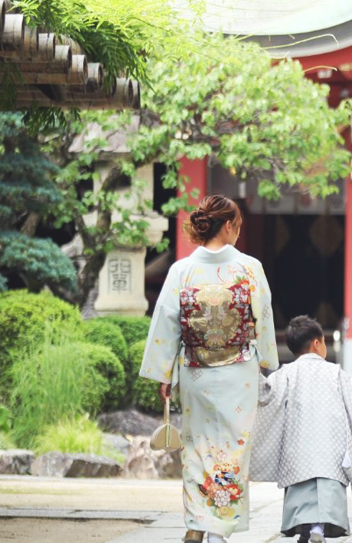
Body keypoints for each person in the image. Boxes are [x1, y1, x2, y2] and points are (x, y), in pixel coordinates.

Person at [139, 194, 279, 543]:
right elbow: (262, 317)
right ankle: (219, 529)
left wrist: (164, 373)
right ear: (229, 225)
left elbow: (166, 323)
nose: (239, 232)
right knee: (233, 449)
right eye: (238, 226)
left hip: (195, 370)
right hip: (238, 373)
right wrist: (266, 361)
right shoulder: (249, 268)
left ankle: (198, 522)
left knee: (198, 447)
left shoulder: (181, 270)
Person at [250, 316, 352, 543]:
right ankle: (318, 527)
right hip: (330, 450)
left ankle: (306, 528)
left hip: (297, 449)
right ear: (316, 343)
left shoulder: (285, 374)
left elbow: (265, 397)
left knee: (302, 489)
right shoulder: (336, 373)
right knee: (326, 489)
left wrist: (249, 368)